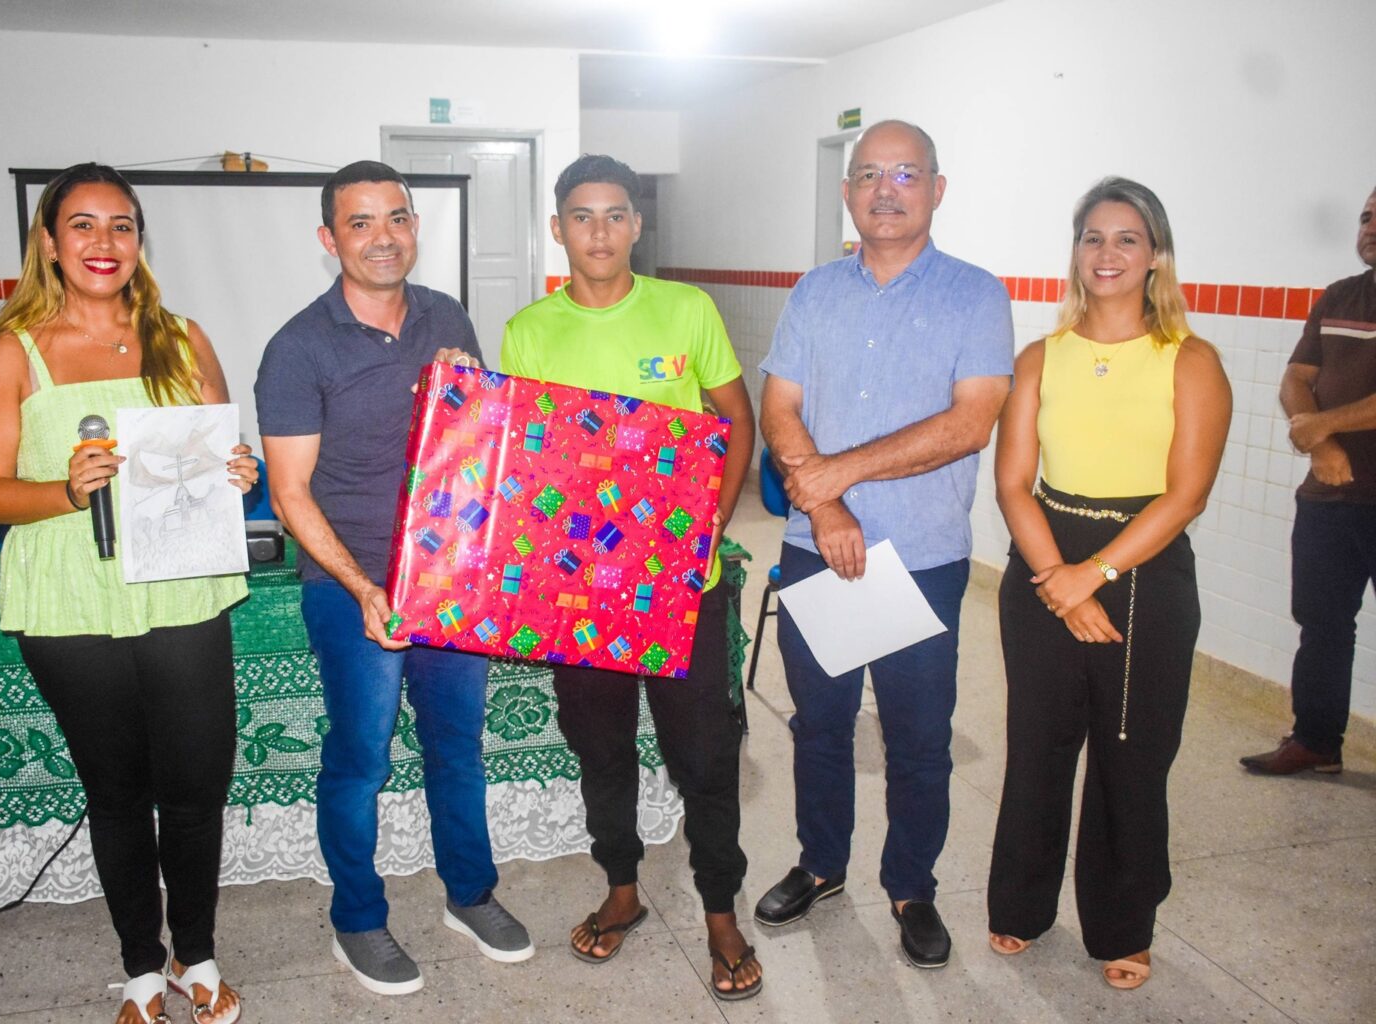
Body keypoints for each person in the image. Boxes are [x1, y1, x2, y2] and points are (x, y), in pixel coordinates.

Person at [0, 163, 255, 1024]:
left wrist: (239, 470)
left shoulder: (182, 339)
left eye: (121, 226)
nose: (103, 243)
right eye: (82, 226)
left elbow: (218, 455)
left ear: (138, 240)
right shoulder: (14, 352)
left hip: (182, 591)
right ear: (48, 242)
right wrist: (62, 488)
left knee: (196, 790)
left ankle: (196, 955)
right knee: (117, 793)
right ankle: (140, 969)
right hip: (69, 603)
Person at [254, 161, 533, 997]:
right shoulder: (298, 346)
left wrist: (465, 388)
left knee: (458, 747)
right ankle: (358, 918)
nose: (384, 237)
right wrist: (364, 589)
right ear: (329, 238)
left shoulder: (447, 314)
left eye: (397, 219)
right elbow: (289, 493)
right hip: (353, 587)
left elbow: (476, 444)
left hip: (449, 579)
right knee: (360, 758)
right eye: (361, 222)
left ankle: (469, 894)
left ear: (416, 226)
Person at [499, 154, 760, 1000]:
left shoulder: (686, 310)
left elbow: (734, 420)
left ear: (638, 225)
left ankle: (721, 908)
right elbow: (523, 466)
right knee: (601, 748)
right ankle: (621, 888)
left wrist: (706, 531)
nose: (600, 231)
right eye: (582, 216)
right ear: (558, 228)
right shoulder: (529, 329)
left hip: (682, 587)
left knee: (705, 752)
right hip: (581, 594)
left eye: (615, 215)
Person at [754, 120, 1012, 969]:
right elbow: (779, 407)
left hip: (923, 558)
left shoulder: (976, 294)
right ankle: (822, 865)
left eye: (906, 173)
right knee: (819, 727)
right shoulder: (813, 292)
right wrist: (825, 507)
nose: (886, 188)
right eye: (868, 174)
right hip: (812, 546)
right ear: (847, 192)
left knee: (918, 739)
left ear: (938, 188)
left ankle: (912, 886)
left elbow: (970, 425)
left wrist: (836, 476)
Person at [986, 178, 1231, 990]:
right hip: (1047, 556)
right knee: (1038, 751)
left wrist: (1094, 574)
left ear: (1155, 254)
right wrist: (1057, 576)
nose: (1107, 254)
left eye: (1127, 239)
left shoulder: (1190, 361)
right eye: (1093, 237)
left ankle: (1123, 925)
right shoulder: (1039, 357)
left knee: (1132, 759)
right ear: (1076, 252)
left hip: (1144, 573)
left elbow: (1185, 493)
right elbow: (1015, 482)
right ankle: (1019, 906)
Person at [1241, 187, 1376, 776]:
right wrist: (1320, 442)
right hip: (1330, 496)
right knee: (1321, 623)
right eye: (1367, 216)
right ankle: (1316, 741)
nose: (1370, 226)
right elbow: (1297, 376)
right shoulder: (1339, 296)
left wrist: (1322, 425)